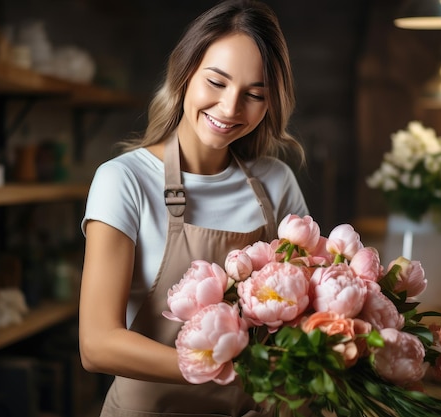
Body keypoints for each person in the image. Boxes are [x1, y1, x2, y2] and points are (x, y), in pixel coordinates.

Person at [78, 1, 309, 415]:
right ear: (185, 72)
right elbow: (97, 344)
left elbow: (308, 311)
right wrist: (225, 366)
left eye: (254, 95)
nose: (230, 108)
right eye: (217, 82)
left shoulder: (276, 183)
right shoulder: (124, 181)